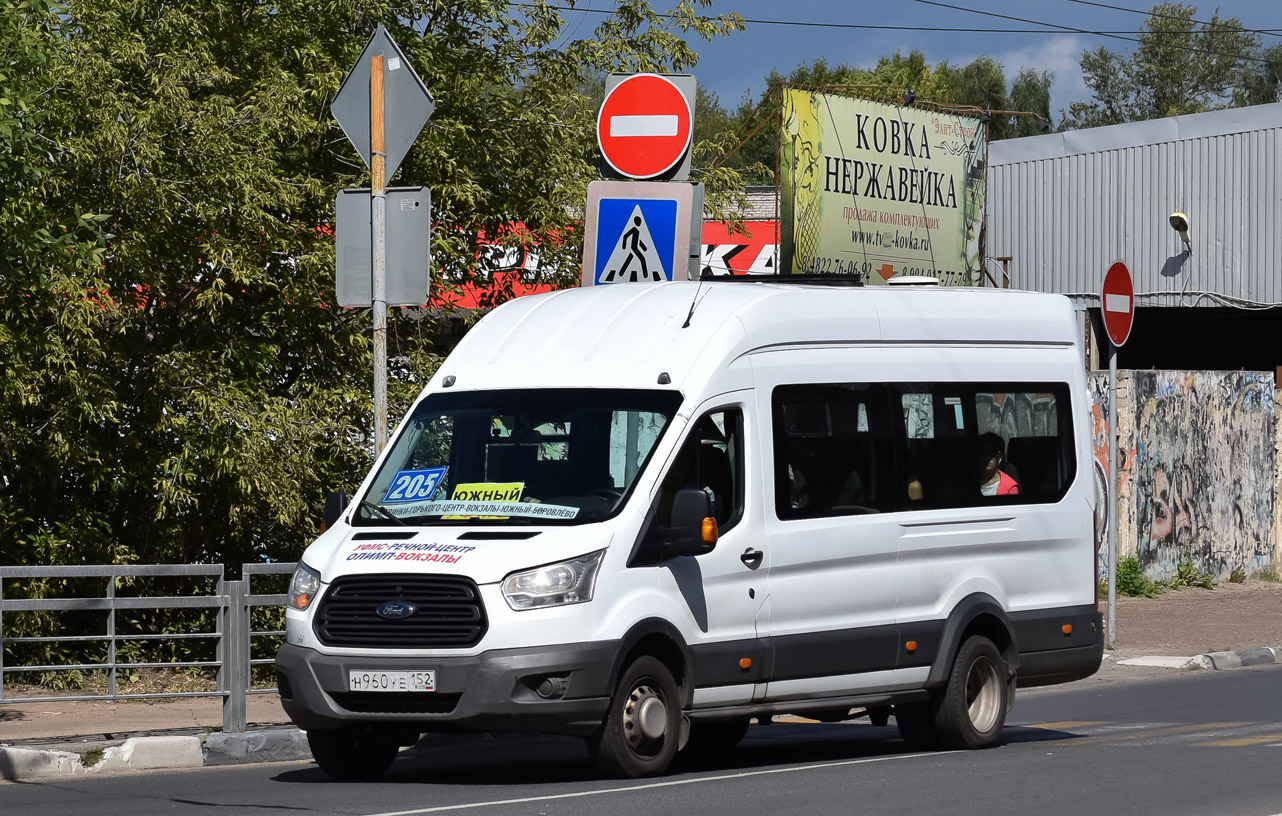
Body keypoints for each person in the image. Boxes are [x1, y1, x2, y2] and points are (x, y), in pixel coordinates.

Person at [978, 432, 1020, 496]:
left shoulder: (1010, 488)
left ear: (999, 456)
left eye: (992, 454)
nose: (987, 458)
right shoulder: (967, 482)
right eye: (982, 453)